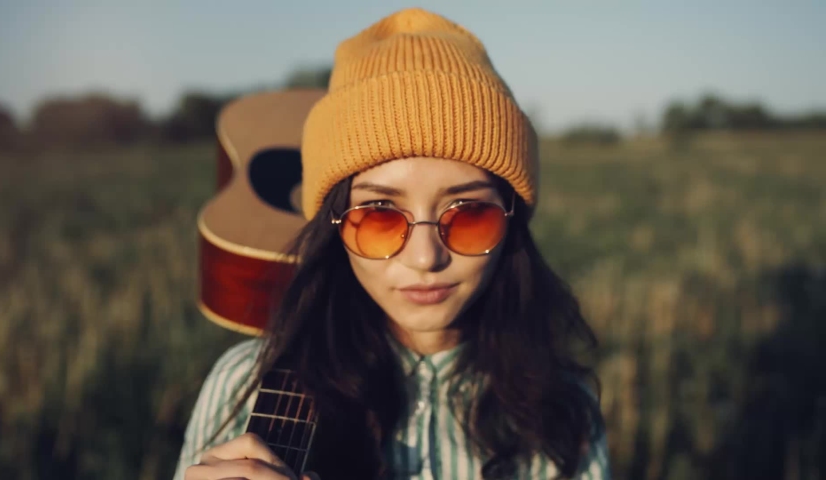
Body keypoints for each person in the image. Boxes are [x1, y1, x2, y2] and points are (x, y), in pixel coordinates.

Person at [174, 7, 610, 480]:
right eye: (379, 215)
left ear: (512, 223)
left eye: (469, 214)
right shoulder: (244, 384)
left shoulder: (564, 410)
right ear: (334, 225)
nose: (426, 258)